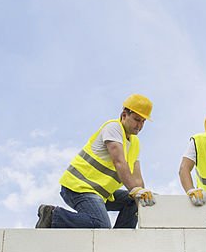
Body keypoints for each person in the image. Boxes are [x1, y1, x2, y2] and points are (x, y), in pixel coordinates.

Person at [36, 94, 157, 229]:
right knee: (100, 225)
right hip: (78, 187)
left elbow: (137, 178)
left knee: (134, 201)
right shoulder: (113, 128)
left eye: (143, 121)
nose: (139, 125)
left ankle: (120, 240)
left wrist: (143, 195)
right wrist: (135, 190)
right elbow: (119, 162)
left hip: (100, 193)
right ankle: (53, 215)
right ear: (124, 115)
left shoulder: (135, 143)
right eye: (136, 119)